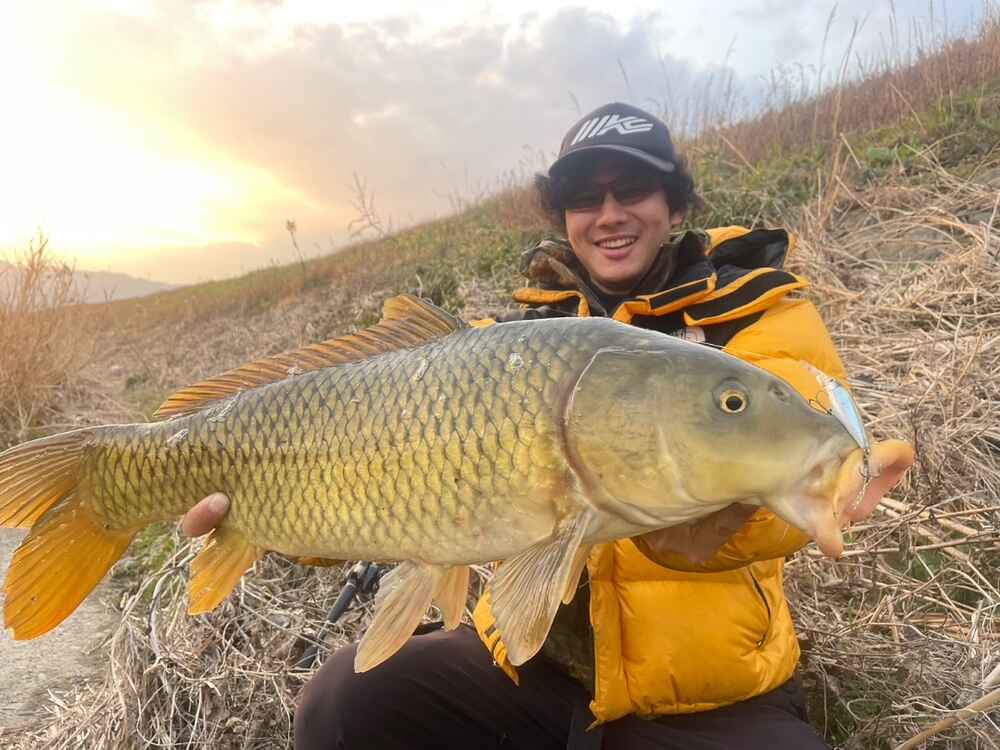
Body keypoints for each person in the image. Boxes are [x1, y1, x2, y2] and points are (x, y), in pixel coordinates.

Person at [182, 102, 912, 749]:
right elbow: (372, 470)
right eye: (582, 197)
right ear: (563, 217)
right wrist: (266, 512)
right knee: (345, 703)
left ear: (674, 205)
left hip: (701, 693)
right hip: (528, 669)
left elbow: (801, 441)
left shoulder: (760, 313)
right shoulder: (515, 344)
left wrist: (814, 493)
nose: (609, 213)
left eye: (633, 188)